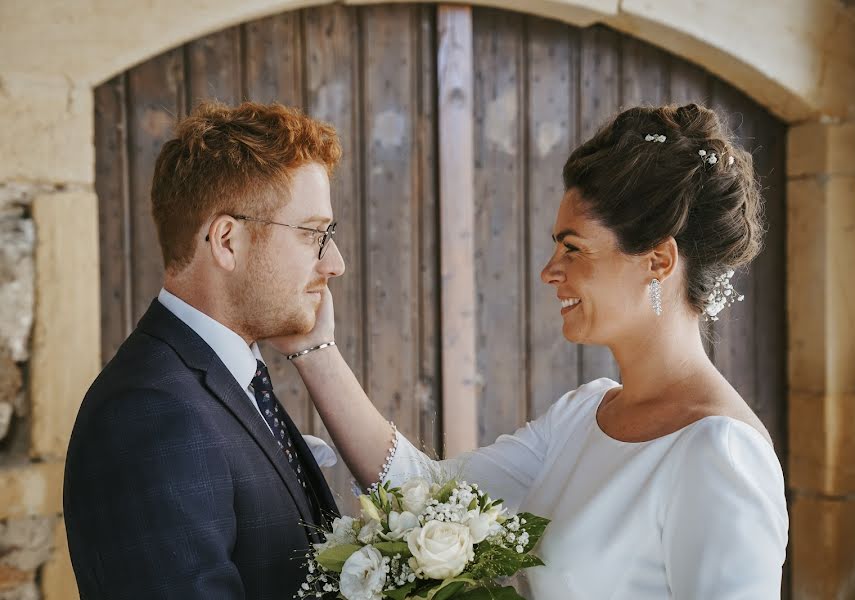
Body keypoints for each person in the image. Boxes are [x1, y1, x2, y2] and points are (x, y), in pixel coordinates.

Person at [268, 104, 789, 598]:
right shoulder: (584, 415)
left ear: (657, 261)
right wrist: (315, 349)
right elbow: (423, 493)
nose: (549, 271)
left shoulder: (719, 451)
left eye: (573, 248)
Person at [64, 101, 346, 599]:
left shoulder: (224, 382)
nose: (335, 263)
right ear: (226, 241)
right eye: (313, 234)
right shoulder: (148, 412)